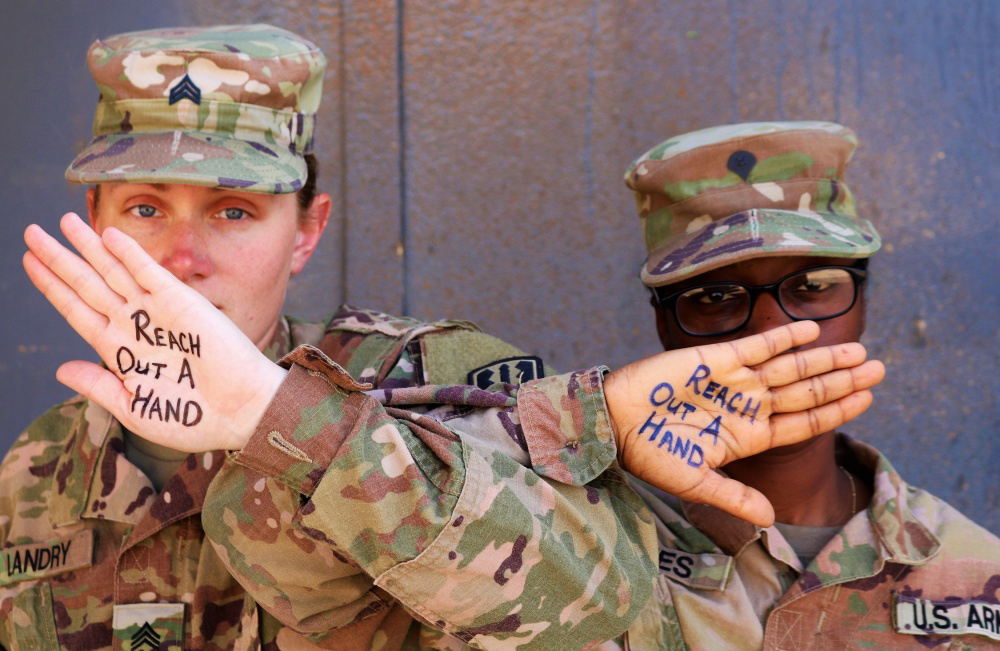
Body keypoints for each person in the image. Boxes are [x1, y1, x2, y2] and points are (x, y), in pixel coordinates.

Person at [0, 25, 882, 650]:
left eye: (234, 210)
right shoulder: (30, 478)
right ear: (93, 220)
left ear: (307, 231)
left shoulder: (440, 378)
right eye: (145, 209)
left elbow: (599, 603)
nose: (181, 259)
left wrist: (275, 414)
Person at [616, 120, 1000, 649]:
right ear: (664, 325)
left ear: (862, 307)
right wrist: (589, 416)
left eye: (814, 286)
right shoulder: (576, 534)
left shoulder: (979, 580)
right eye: (713, 297)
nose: (774, 332)